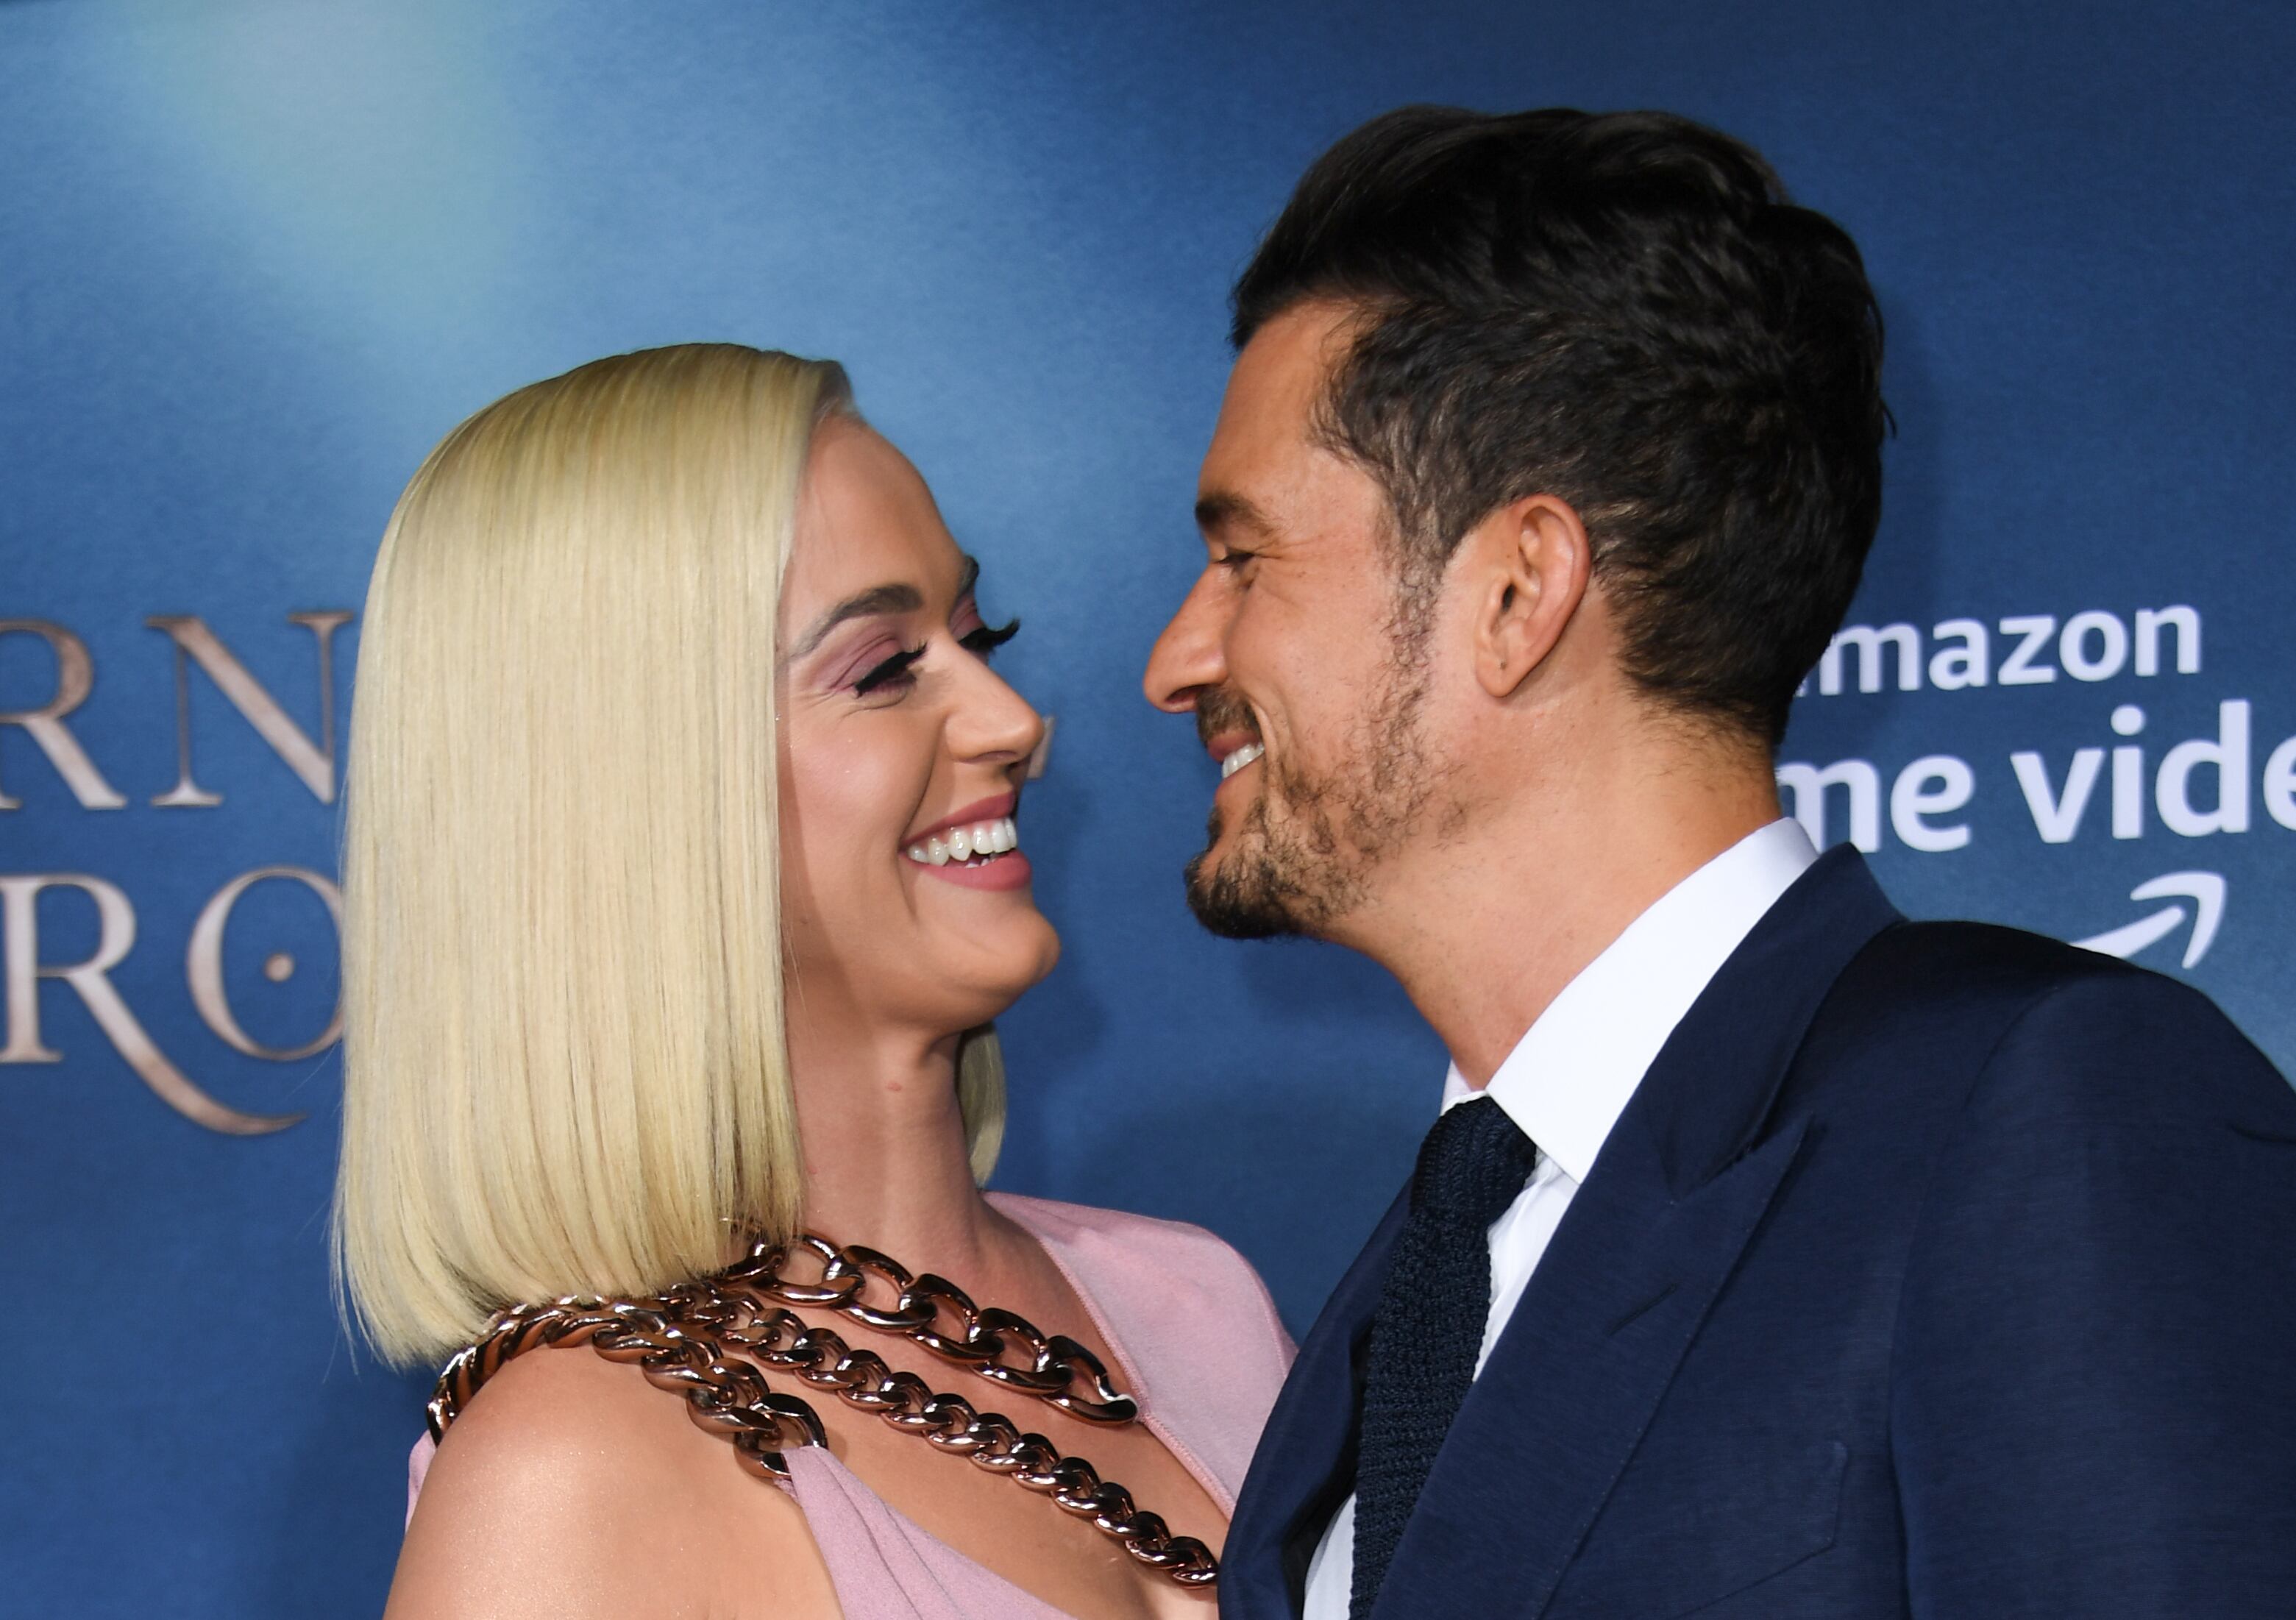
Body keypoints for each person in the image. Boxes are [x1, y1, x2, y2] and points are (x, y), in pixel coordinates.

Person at [1143, 107, 2296, 1619]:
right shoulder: (1418, 1282)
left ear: (1516, 589)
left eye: (1244, 560)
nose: (1180, 657)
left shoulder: (2042, 1112)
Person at [335, 343, 1292, 1620]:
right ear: (634, 785)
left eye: (974, 633)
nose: (1011, 717)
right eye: (885, 668)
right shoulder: (571, 1478)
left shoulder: (1194, 1298)